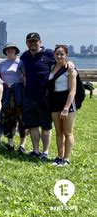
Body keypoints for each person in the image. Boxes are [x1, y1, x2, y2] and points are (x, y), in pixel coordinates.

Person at [20, 32, 74, 160]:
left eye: (35, 41)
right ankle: (36, 150)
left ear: (40, 42)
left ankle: (45, 152)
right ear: (27, 43)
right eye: (30, 41)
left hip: (45, 97)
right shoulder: (24, 56)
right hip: (29, 96)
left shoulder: (49, 53)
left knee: (46, 126)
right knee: (32, 125)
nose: (33, 43)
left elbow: (61, 60)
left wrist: (70, 62)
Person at [48, 45, 77, 166]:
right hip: (54, 100)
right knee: (58, 131)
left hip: (67, 102)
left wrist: (66, 108)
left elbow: (72, 91)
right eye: (57, 54)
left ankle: (66, 158)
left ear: (66, 55)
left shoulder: (70, 69)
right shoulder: (52, 66)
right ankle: (59, 157)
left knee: (68, 132)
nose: (59, 56)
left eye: (62, 54)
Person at [0, 43, 26, 154]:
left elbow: (25, 77)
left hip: (18, 91)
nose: (10, 51)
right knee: (8, 118)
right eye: (8, 49)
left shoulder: (21, 62)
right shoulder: (2, 64)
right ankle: (10, 143)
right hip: (6, 91)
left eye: (12, 49)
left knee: (21, 118)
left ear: (15, 50)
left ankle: (22, 144)